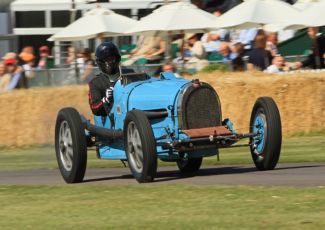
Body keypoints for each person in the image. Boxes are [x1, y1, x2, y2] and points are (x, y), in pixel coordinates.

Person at [88, 42, 133, 116]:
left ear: (117, 58)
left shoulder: (129, 73)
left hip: (133, 110)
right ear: (100, 62)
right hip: (111, 119)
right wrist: (105, 99)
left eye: (112, 59)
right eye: (107, 60)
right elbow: (94, 108)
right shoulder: (95, 83)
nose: (110, 62)